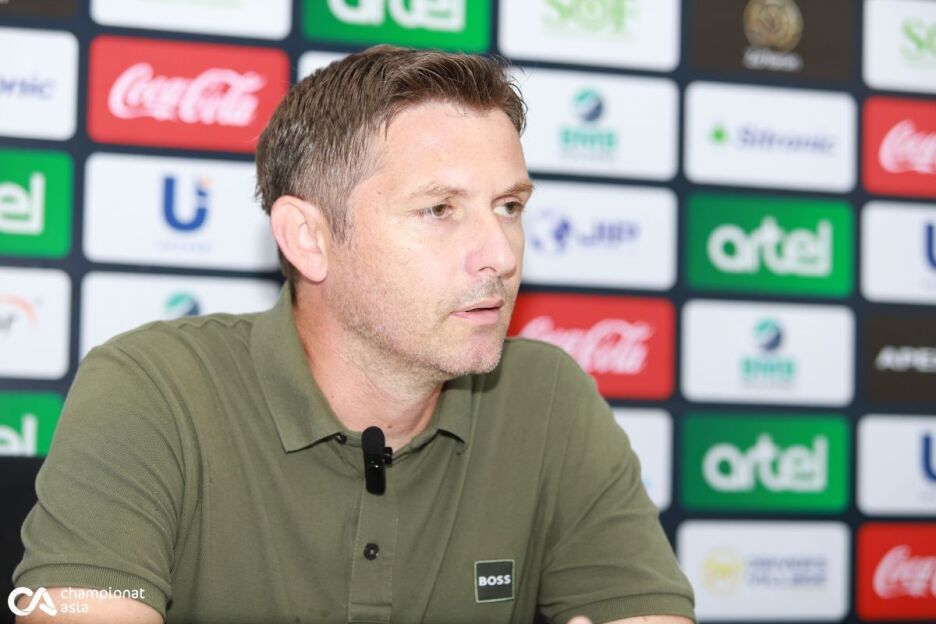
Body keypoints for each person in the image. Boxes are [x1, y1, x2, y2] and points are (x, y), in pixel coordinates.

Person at [11, 45, 695, 623]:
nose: (500, 254)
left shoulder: (547, 397)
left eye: (509, 206)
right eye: (439, 210)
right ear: (308, 238)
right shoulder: (153, 390)